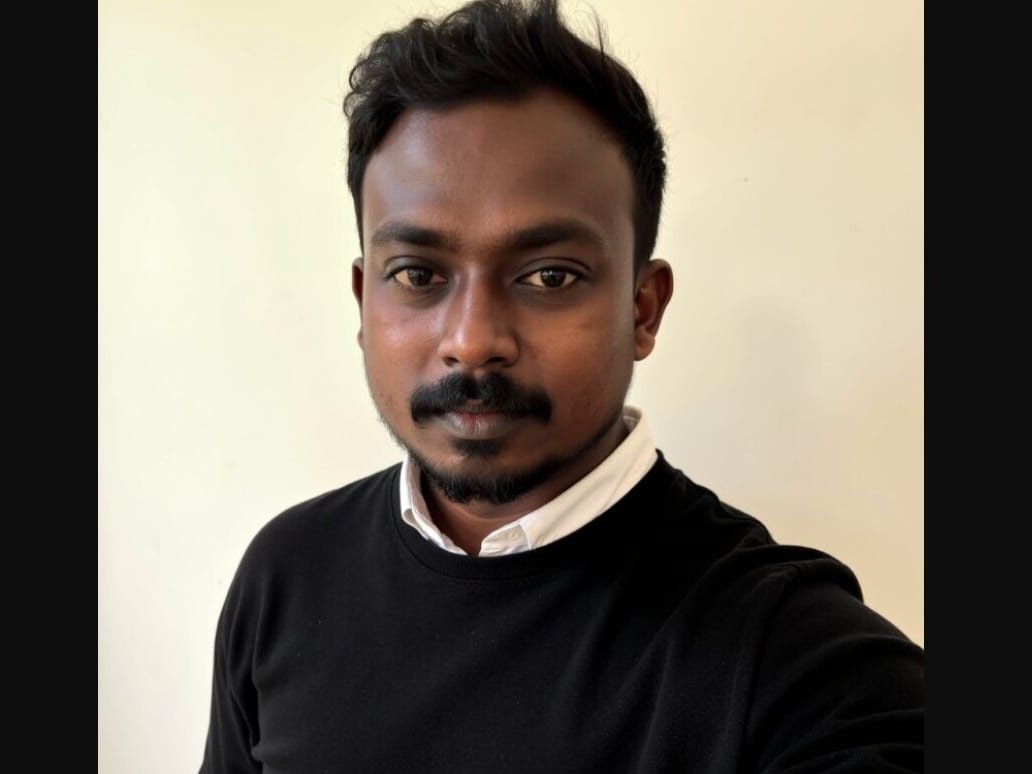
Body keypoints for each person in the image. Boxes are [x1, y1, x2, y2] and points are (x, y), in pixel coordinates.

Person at [198, 0, 924, 771]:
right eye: (416, 274)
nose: (473, 341)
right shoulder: (287, 578)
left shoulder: (797, 666)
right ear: (363, 301)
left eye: (550, 275)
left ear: (642, 309)